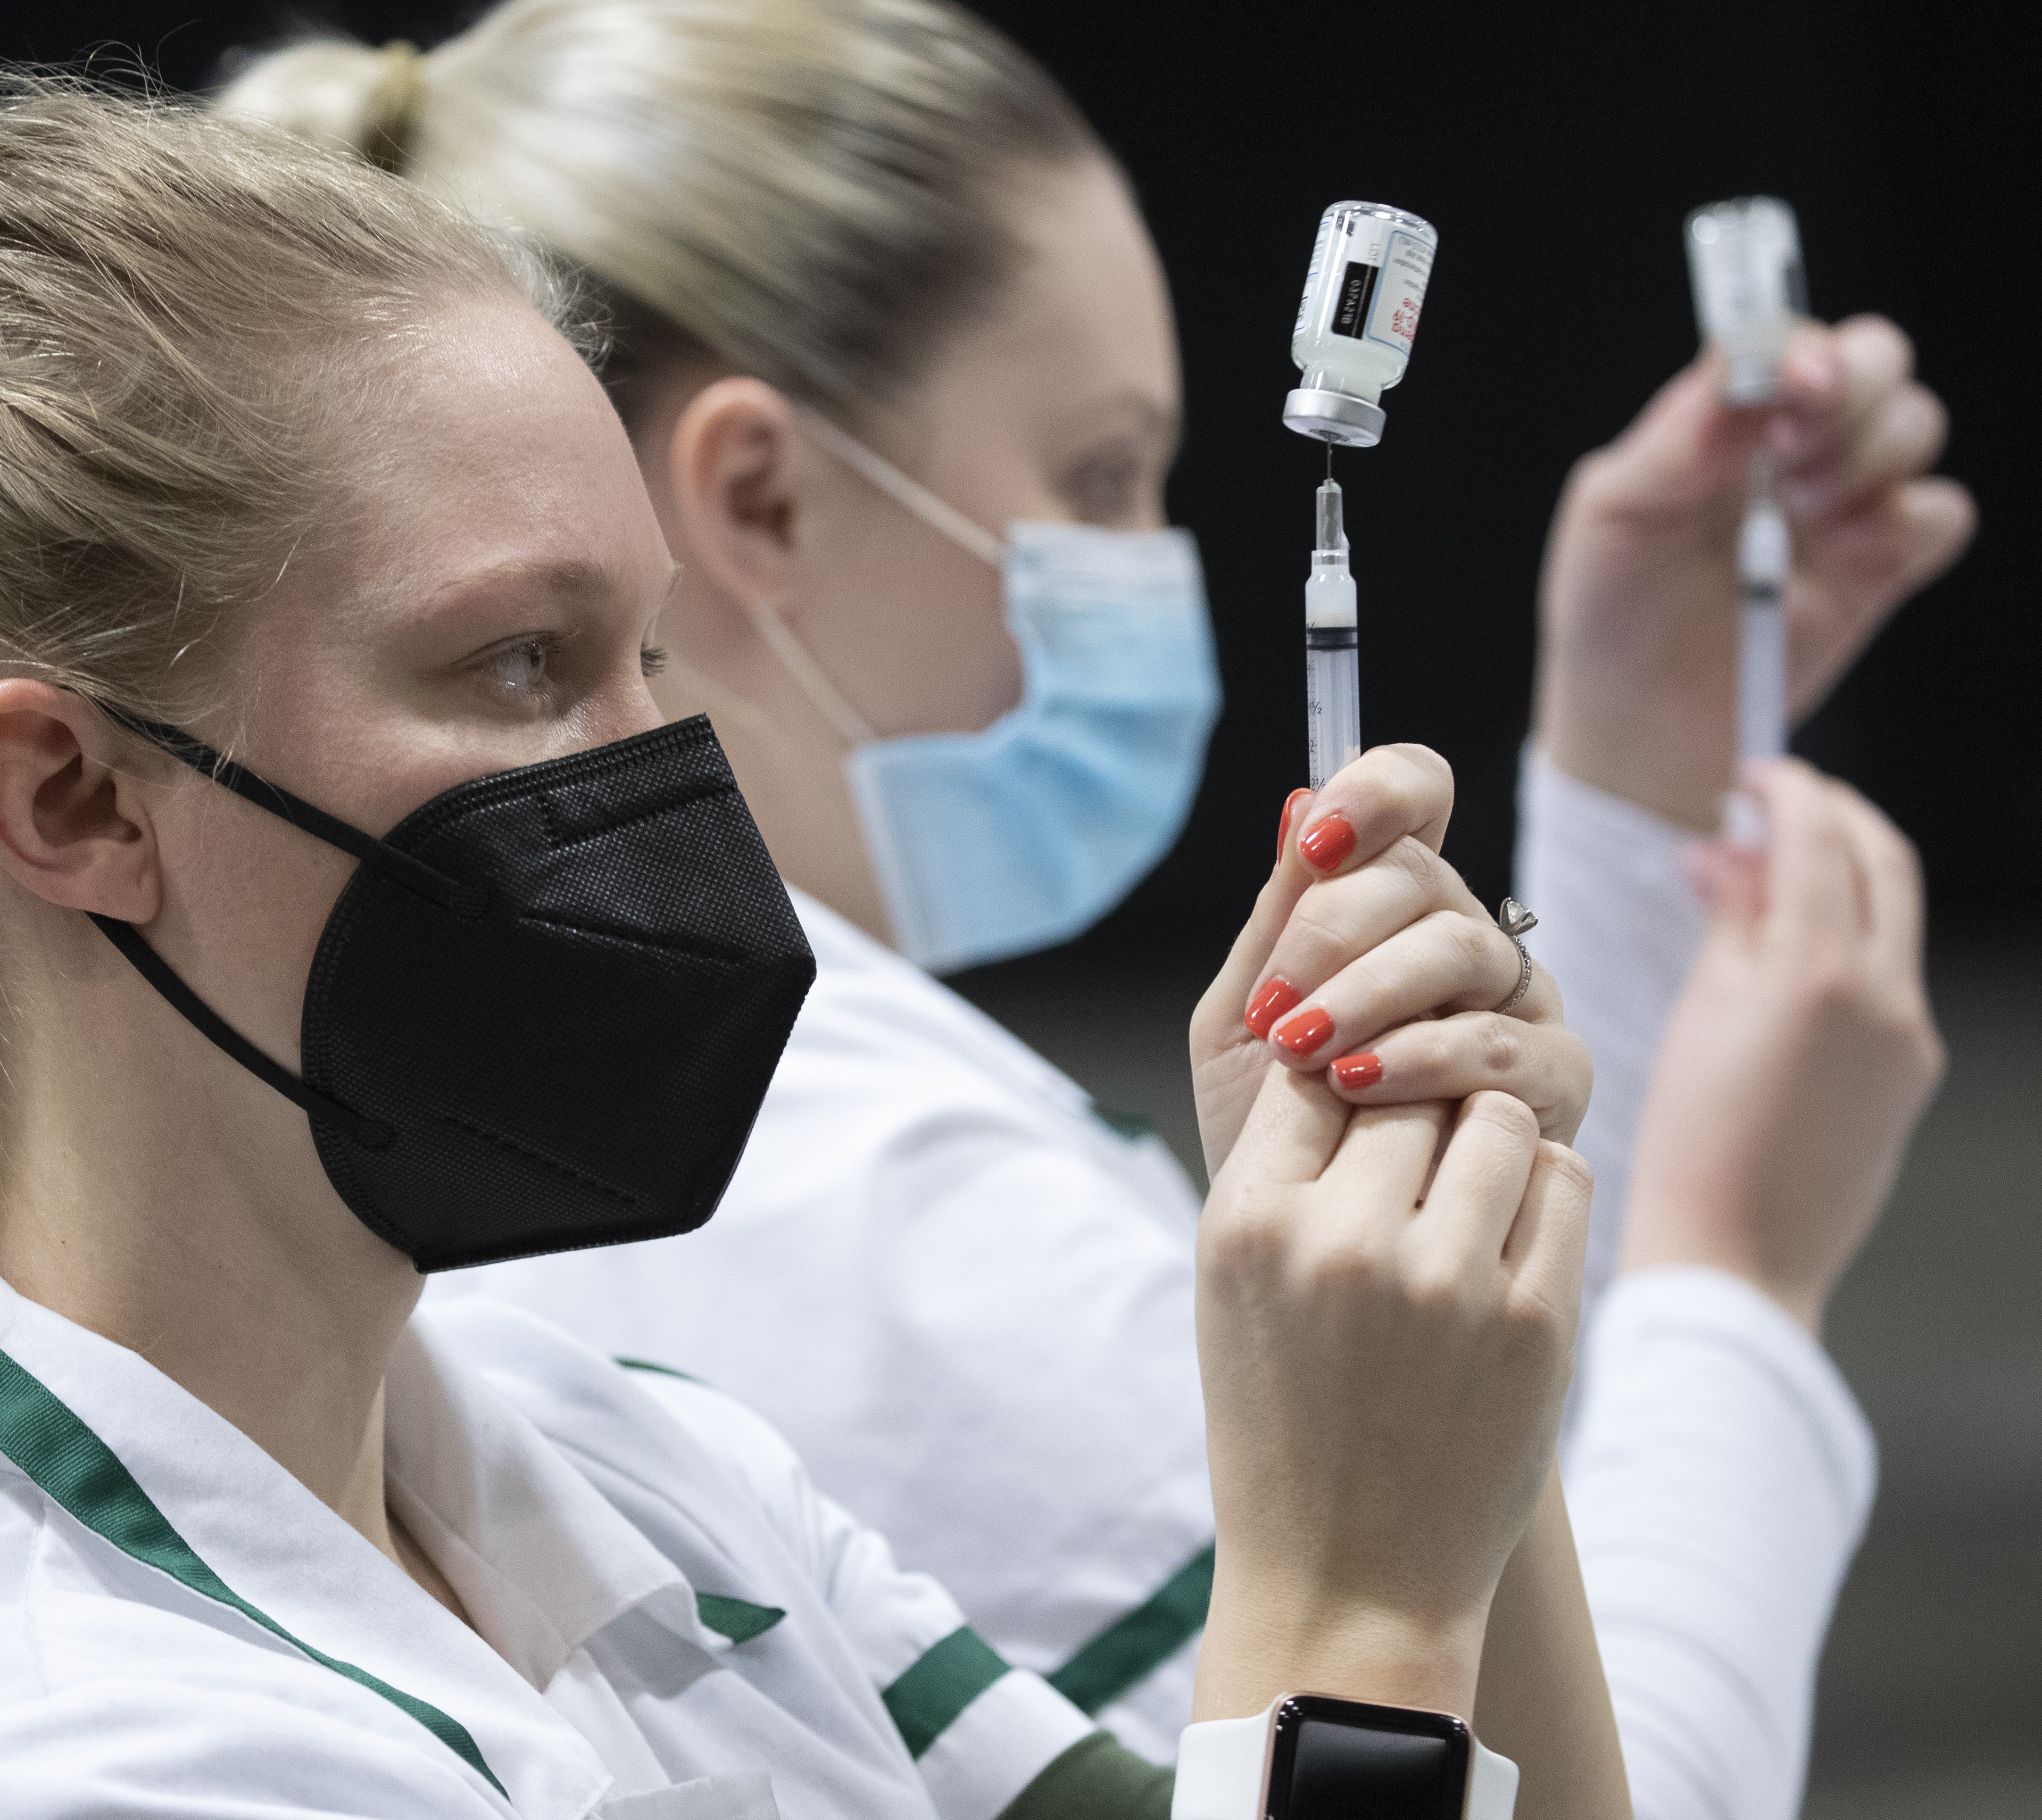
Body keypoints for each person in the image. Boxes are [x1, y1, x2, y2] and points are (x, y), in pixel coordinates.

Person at [0, 74, 1632, 1818]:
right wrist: (1345, 1587)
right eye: (517, 665)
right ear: (74, 798)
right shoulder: (38, 1751)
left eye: (654, 650)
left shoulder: (632, 1479)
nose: (660, 775)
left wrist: (1438, 1366)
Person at [217, 1, 1965, 1809]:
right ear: (757, 496)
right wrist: (1734, 1270)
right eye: (1101, 475)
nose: (1151, 560)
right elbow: (1533, 1774)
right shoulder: (884, 1194)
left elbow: (1499, 1537)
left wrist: (1625, 771)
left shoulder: (592, 1085)